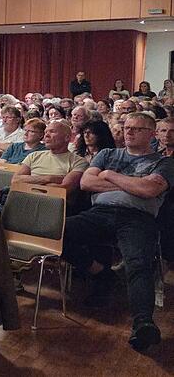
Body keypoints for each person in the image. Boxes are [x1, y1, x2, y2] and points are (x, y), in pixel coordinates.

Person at [65, 113, 174, 351]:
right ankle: (101, 272)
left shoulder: (163, 162)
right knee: (56, 232)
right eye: (126, 127)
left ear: (152, 134)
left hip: (138, 218)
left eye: (137, 128)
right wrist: (132, 183)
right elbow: (86, 183)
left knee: (138, 263)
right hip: (100, 212)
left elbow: (148, 190)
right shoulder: (108, 154)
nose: (129, 132)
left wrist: (109, 175)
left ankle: (143, 323)